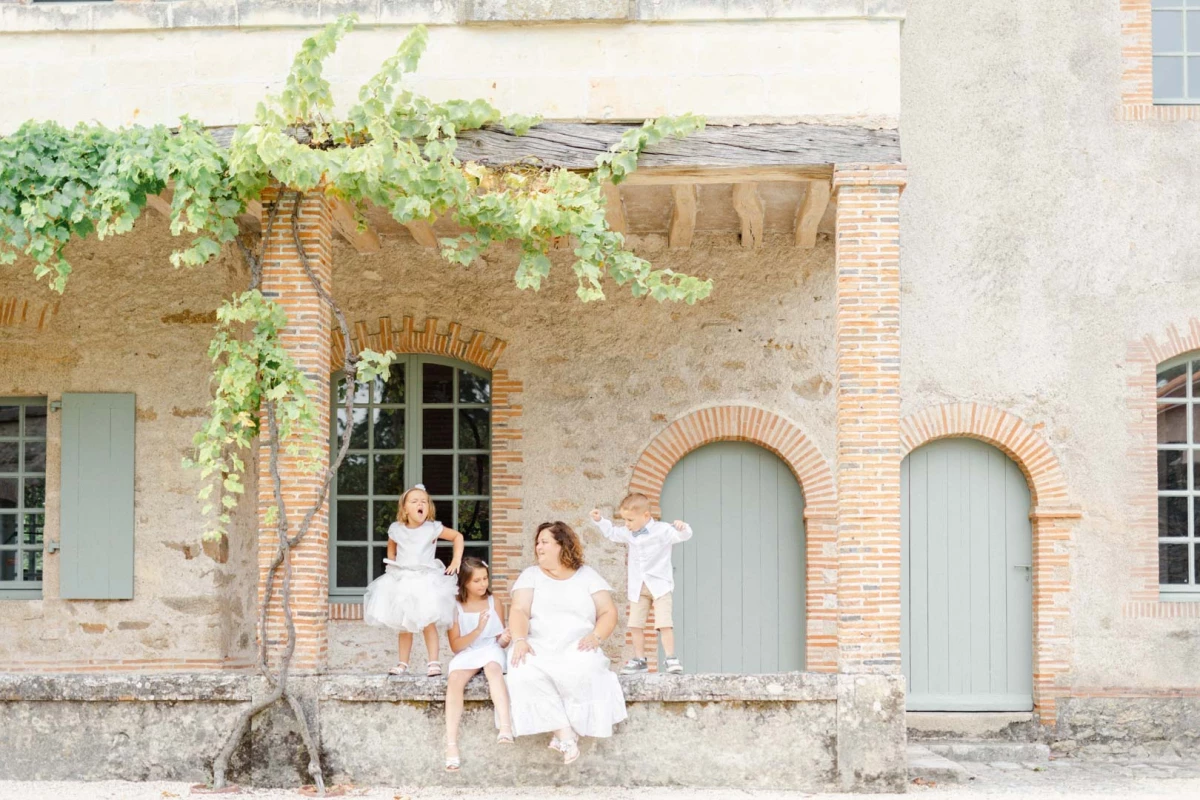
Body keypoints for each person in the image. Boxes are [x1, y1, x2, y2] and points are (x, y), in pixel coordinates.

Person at [505, 521, 628, 764]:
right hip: (537, 644)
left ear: (562, 545)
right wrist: (519, 639)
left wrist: (596, 636)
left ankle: (565, 731)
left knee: (586, 670)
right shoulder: (530, 575)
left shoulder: (587, 576)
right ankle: (564, 732)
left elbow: (608, 612)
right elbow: (519, 610)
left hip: (577, 645)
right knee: (522, 670)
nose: (538, 547)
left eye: (545, 542)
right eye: (537, 542)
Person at [362, 484, 464, 677]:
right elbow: (391, 546)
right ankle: (403, 663)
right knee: (404, 624)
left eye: (424, 501)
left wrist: (456, 559)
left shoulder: (432, 528)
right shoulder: (397, 529)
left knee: (428, 622)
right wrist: (391, 564)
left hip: (425, 580)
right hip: (402, 579)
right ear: (405, 508)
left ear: (429, 507)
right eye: (415, 501)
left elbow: (457, 536)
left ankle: (433, 662)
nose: (420, 504)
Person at [590, 493, 693, 675]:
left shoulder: (662, 530)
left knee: (664, 623)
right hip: (638, 587)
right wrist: (600, 520)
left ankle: (670, 658)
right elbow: (612, 532)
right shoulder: (629, 533)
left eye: (630, 520)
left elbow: (684, 536)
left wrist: (683, 527)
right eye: (625, 520)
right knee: (635, 624)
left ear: (646, 516)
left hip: (660, 586)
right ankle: (640, 660)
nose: (627, 524)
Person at [444, 557, 514, 772]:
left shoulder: (496, 602)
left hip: (491, 648)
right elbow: (456, 646)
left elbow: (499, 641)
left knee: (493, 669)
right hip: (468, 650)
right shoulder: (454, 606)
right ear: (464, 582)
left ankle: (505, 726)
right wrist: (478, 628)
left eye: (485, 578)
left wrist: (507, 637)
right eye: (477, 581)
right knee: (455, 679)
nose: (483, 584)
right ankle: (451, 745)